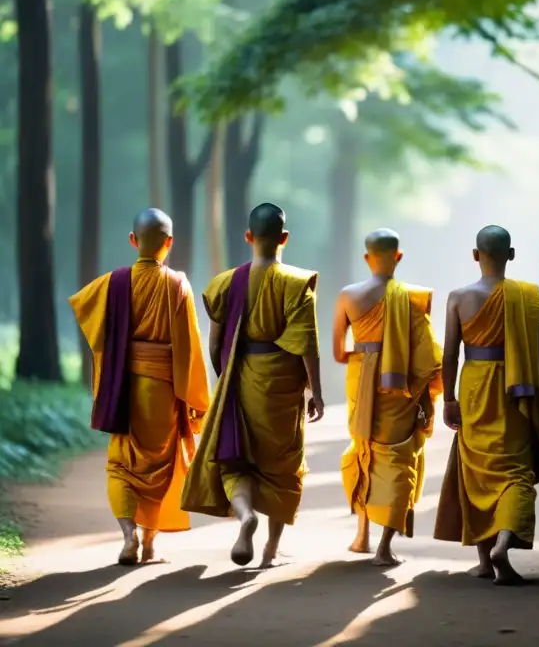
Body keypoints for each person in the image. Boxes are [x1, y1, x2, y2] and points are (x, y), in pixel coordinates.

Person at [180, 203, 324, 569]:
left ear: (248, 236)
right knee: (283, 467)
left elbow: (214, 346)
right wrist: (316, 392)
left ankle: (245, 516)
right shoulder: (296, 284)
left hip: (241, 379)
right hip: (282, 385)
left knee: (236, 461)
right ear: (284, 238)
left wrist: (225, 376)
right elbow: (307, 345)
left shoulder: (224, 283)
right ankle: (270, 552)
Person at [68, 208, 210, 565]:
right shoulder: (178, 284)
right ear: (169, 242)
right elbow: (188, 346)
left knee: (121, 464)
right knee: (160, 465)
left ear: (133, 241)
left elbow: (83, 309)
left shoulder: (114, 283)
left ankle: (129, 533)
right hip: (162, 390)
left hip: (124, 387)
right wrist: (193, 398)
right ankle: (149, 544)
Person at [433, 225, 539, 585]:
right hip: (515, 390)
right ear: (511, 255)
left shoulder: (458, 297)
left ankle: (483, 559)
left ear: (475, 255)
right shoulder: (529, 296)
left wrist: (448, 397)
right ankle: (504, 542)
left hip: (476, 383)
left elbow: (450, 354)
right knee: (514, 471)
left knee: (477, 469)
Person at [334, 229, 443, 566]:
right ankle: (384, 547)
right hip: (401, 387)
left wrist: (368, 353)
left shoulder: (348, 296)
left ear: (367, 258)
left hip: (362, 379)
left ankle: (361, 536)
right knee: (398, 458)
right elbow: (429, 357)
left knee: (365, 450)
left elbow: (339, 352)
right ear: (398, 256)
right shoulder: (412, 298)